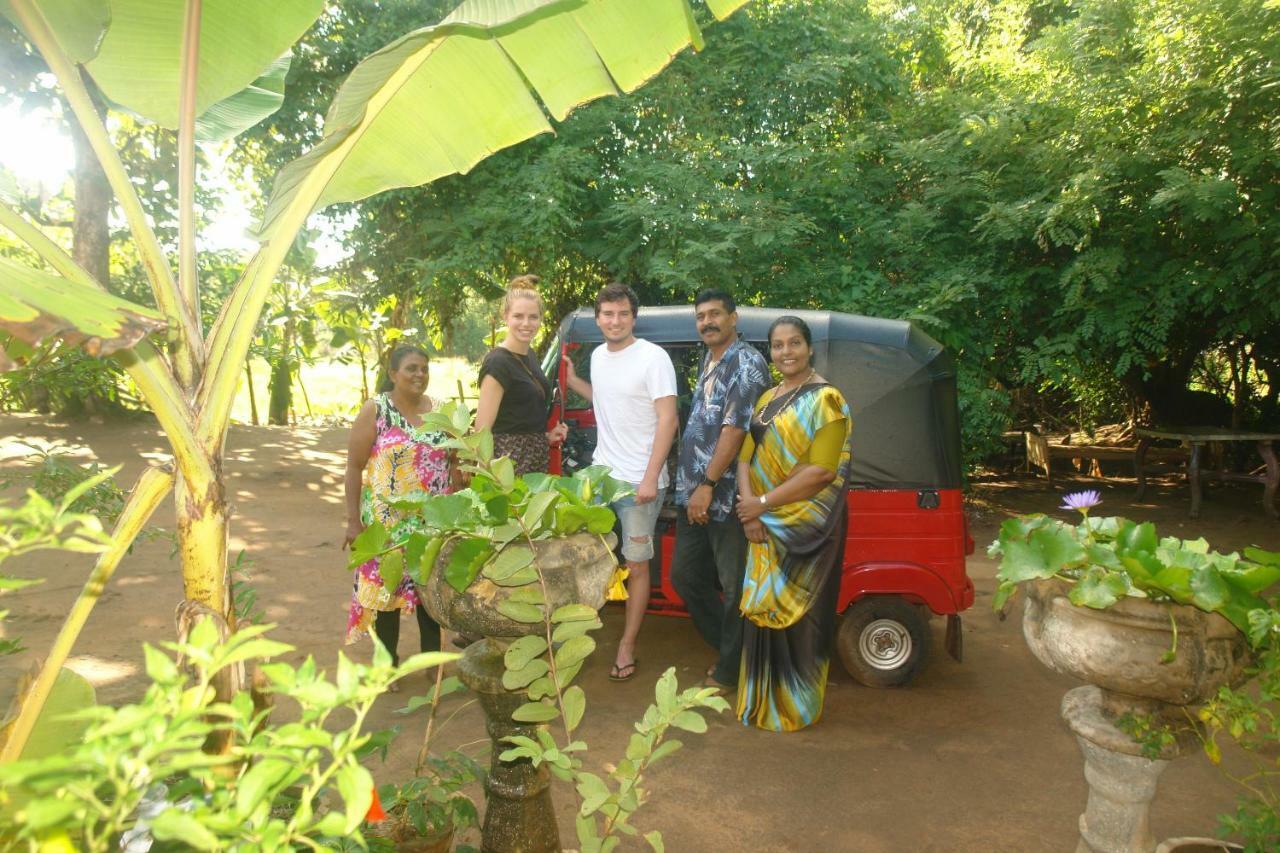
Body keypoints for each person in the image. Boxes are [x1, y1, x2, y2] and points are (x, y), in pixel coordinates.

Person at [734, 316, 853, 731]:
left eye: (795, 343)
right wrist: (749, 508)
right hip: (762, 523)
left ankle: (796, 709)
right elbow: (745, 456)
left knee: (803, 620)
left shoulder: (827, 401)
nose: (787, 352)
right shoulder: (768, 397)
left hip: (804, 530)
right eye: (779, 345)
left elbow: (821, 472)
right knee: (762, 616)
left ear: (809, 348)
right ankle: (760, 703)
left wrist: (762, 505)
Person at [564, 282, 677, 682]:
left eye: (622, 314)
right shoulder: (597, 356)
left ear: (633, 317)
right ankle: (574, 633)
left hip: (639, 486)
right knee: (584, 555)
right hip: (601, 478)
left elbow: (669, 419)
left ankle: (627, 645)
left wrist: (649, 479)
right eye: (607, 314)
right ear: (599, 318)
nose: (614, 321)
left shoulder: (653, 358)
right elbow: (606, 399)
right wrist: (573, 380)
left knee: (636, 565)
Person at [671, 289, 769, 691]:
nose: (707, 321)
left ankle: (733, 667)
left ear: (734, 318)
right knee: (685, 576)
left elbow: (736, 429)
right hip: (695, 493)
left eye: (715, 314)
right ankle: (733, 648)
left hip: (725, 496)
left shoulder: (746, 362)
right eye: (701, 316)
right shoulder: (709, 360)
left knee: (734, 584)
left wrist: (708, 485)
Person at [343, 344, 450, 684]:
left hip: (431, 523)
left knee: (429, 595)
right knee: (386, 595)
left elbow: (457, 456)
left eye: (424, 368)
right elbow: (354, 465)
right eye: (411, 368)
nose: (420, 375)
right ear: (393, 374)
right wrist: (352, 521)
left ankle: (432, 666)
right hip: (386, 524)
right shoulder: (376, 410)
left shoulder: (440, 411)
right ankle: (386, 666)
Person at [473, 275, 568, 475]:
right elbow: (482, 431)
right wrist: (490, 478)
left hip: (535, 459)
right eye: (518, 316)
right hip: (507, 463)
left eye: (533, 317)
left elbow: (521, 418)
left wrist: (548, 437)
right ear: (505, 316)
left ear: (540, 318)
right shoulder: (498, 363)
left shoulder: (530, 356)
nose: (526, 323)